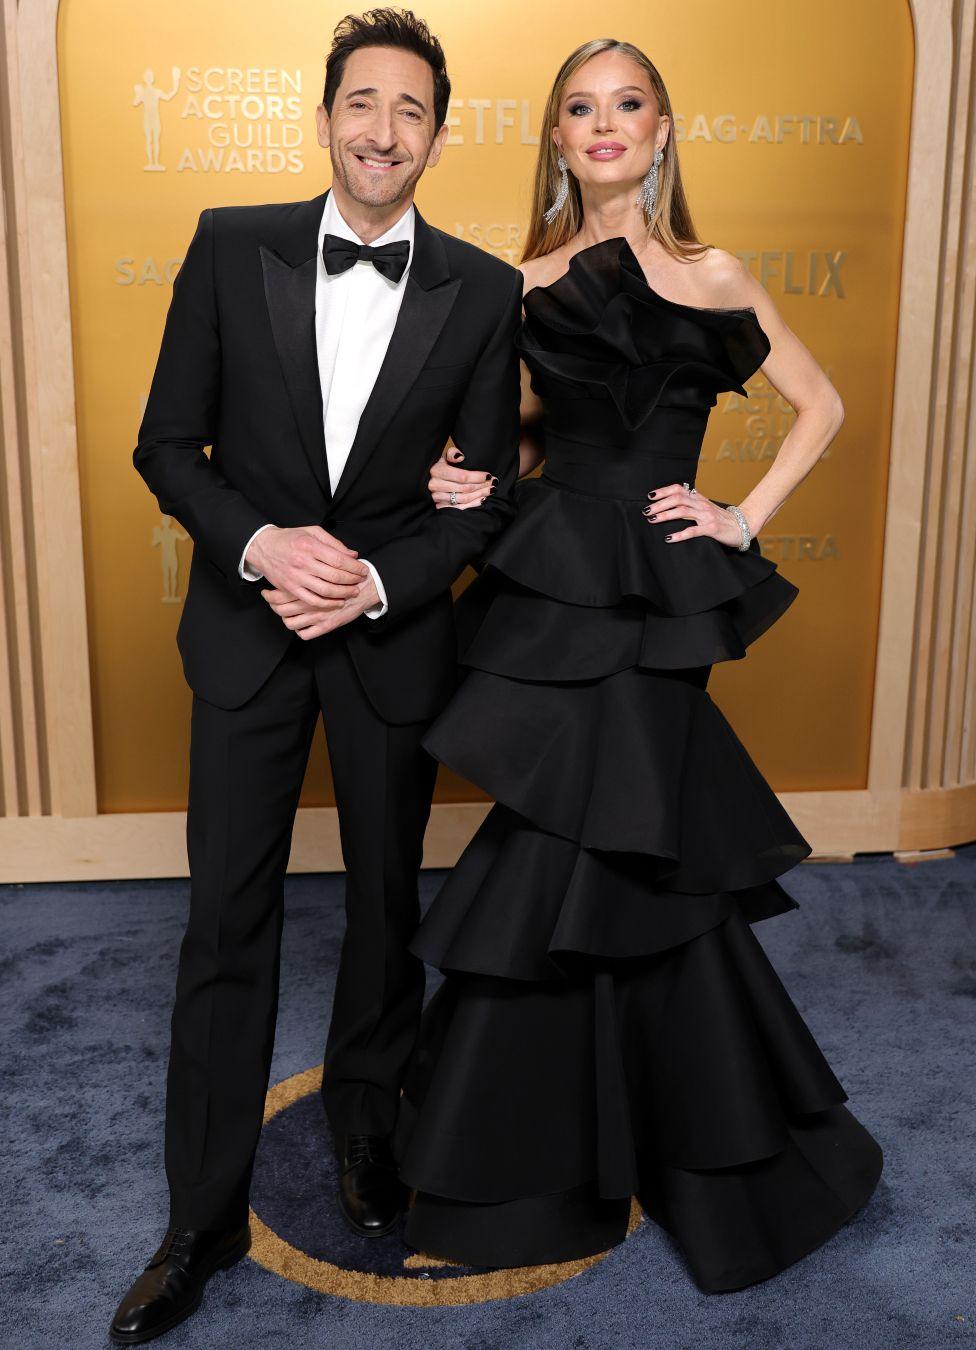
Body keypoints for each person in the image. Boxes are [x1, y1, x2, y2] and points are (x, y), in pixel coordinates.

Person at [392, 37, 884, 1291]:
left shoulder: (711, 271)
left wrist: (741, 515)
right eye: (579, 109)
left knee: (623, 851)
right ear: (556, 140)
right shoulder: (520, 279)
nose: (604, 125)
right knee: (578, 844)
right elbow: (504, 445)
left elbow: (819, 404)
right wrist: (468, 477)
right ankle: (586, 1139)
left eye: (627, 105)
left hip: (657, 589)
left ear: (662, 131)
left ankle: (673, 1147)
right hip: (559, 579)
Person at [110, 9, 523, 1343]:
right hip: (247, 632)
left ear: (438, 134)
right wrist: (261, 544)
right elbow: (167, 445)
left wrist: (387, 577)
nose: (383, 130)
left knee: (387, 906)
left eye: (411, 110)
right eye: (363, 102)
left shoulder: (483, 287)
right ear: (327, 112)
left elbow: (479, 495)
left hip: (390, 639)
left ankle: (367, 1135)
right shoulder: (232, 246)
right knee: (226, 919)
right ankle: (201, 1216)